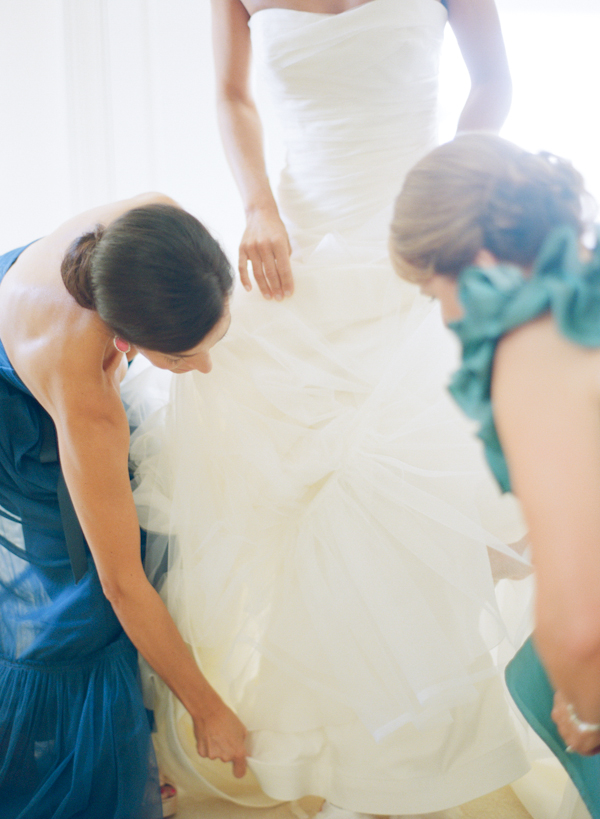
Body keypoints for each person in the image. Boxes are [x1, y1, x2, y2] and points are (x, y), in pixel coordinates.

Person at [129, 2, 530, 818]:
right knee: (303, 506)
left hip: (414, 250)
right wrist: (256, 205)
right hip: (295, 256)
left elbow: (493, 79)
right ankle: (343, 761)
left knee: (411, 500)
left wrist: (448, 196)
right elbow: (232, 95)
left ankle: (430, 752)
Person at [0, 194, 248, 819]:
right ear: (124, 337)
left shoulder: (149, 220)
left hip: (27, 311)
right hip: (19, 402)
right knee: (77, 603)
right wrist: (208, 710)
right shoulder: (85, 396)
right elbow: (122, 585)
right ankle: (65, 765)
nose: (206, 365)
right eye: (184, 356)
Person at [390, 131, 600, 817]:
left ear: (479, 262)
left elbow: (578, 633)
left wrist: (589, 707)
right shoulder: (585, 289)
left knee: (541, 676)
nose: (446, 316)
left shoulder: (530, 344)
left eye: (433, 289)